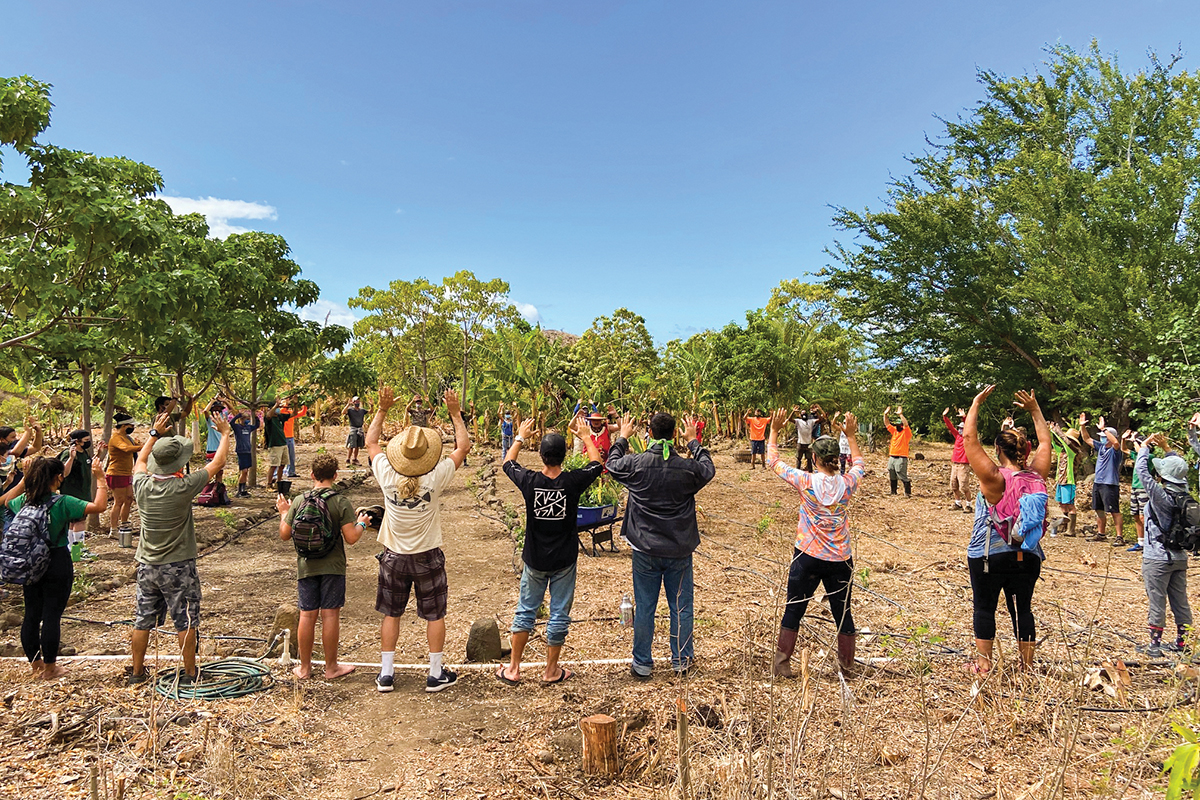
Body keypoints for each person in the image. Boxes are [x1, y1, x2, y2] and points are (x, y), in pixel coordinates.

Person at [366, 386, 470, 693]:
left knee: (391, 613)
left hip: (393, 556)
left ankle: (386, 674)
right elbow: (462, 447)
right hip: (427, 555)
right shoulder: (435, 477)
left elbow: (370, 442)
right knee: (434, 614)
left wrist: (382, 409)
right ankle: (434, 673)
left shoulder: (386, 473)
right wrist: (454, 413)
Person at [496, 417, 604, 687]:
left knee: (525, 611)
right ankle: (551, 671)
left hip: (535, 559)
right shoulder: (573, 482)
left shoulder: (530, 481)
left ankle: (513, 669)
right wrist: (587, 436)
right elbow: (596, 464)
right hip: (564, 559)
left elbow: (508, 463)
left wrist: (519, 437)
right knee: (559, 613)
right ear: (564, 456)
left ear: (541, 456)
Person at [607, 411, 715, 679]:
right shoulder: (687, 468)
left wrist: (622, 437)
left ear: (649, 433)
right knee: (681, 606)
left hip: (645, 548)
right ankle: (681, 661)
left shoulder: (637, 464)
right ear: (674, 433)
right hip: (679, 549)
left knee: (645, 607)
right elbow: (708, 469)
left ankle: (642, 664)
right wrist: (693, 442)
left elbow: (611, 463)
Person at [128, 410, 232, 684]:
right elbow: (218, 462)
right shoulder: (183, 486)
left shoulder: (141, 484)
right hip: (178, 566)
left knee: (143, 619)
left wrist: (152, 434)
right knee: (185, 618)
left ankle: (137, 673)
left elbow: (139, 460)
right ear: (179, 463)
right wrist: (224, 433)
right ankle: (188, 673)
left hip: (147, 565)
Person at [767, 410, 866, 677]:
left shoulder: (805, 481)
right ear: (837, 459)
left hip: (807, 554)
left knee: (795, 607)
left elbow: (773, 461)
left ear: (814, 458)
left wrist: (774, 431)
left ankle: (782, 664)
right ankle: (846, 666)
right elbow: (859, 465)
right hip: (840, 560)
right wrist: (852, 436)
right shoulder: (847, 484)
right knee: (842, 611)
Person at [962, 386, 1051, 674]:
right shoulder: (1036, 474)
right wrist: (1035, 410)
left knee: (984, 607)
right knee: (1022, 609)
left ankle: (984, 665)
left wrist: (976, 404)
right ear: (1025, 450)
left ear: (998, 449)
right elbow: (1046, 443)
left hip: (990, 553)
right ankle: (1026, 668)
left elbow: (968, 438)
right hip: (1028, 555)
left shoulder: (992, 477)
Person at [9, 453, 109, 678]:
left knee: (32, 614)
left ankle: (35, 666)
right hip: (55, 560)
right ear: (57, 478)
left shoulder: (22, 501)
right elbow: (99, 506)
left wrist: (26, 480)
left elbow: (7, 501)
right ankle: (51, 668)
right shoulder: (62, 502)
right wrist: (100, 478)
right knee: (52, 615)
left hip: (29, 561)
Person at [276, 453, 371, 680]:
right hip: (333, 566)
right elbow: (351, 537)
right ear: (336, 475)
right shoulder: (340, 502)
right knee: (330, 616)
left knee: (307, 615)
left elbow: (284, 535)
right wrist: (362, 524)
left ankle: (305, 668)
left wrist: (283, 513)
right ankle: (331, 668)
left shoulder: (299, 500)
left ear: (312, 475)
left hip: (306, 565)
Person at [1131, 432, 1193, 656]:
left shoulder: (1160, 495)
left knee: (1157, 601)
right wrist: (1168, 448)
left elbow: (1142, 473)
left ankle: (1155, 645)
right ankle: (1182, 643)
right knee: (1181, 602)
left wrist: (1145, 447)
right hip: (1179, 557)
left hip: (1157, 557)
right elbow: (1179, 468)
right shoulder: (1183, 493)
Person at [1078, 413, 1124, 544]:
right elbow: (1087, 439)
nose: (1103, 439)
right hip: (1098, 483)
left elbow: (1116, 442)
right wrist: (1082, 427)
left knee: (1114, 511)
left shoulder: (1115, 451)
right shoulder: (1101, 447)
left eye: (1105, 437)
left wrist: (1104, 429)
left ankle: (1119, 537)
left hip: (1110, 484)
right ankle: (1101, 533)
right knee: (1099, 510)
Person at [106, 412, 142, 539]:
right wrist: (142, 447)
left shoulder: (126, 437)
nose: (132, 428)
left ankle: (124, 524)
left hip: (127, 473)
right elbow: (126, 449)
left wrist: (138, 445)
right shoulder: (116, 438)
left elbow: (131, 447)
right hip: (116, 473)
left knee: (129, 499)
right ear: (123, 426)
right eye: (130, 426)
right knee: (119, 501)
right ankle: (113, 529)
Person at [58, 429, 95, 550]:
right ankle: (79, 548)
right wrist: (71, 458)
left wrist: (99, 454)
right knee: (78, 521)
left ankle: (72, 548)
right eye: (86, 440)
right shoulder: (68, 454)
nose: (88, 442)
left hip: (83, 491)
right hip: (72, 492)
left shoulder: (84, 452)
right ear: (77, 441)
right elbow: (64, 473)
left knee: (75, 521)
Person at [1049, 424, 1082, 537]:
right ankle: (1063, 526)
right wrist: (1051, 431)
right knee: (1062, 504)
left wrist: (1057, 430)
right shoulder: (1062, 452)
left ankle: (1071, 530)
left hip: (1069, 481)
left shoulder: (1073, 452)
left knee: (1070, 504)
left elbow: (1065, 442)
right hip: (1061, 480)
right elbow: (1054, 442)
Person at [1121, 431, 1147, 553]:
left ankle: (1149, 542)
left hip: (1144, 488)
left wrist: (1135, 441)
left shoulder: (1148, 457)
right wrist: (1124, 439)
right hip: (1135, 488)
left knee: (1144, 516)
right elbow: (1123, 449)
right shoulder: (1136, 456)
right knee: (1136, 515)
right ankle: (1140, 541)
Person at [943, 407, 972, 512]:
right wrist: (945, 417)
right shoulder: (957, 436)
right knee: (954, 485)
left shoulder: (968, 439)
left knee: (964, 487)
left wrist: (964, 417)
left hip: (964, 465)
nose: (960, 430)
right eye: (959, 428)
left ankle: (968, 505)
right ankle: (957, 503)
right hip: (955, 464)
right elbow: (950, 427)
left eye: (962, 428)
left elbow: (969, 427)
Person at [262, 399, 294, 491]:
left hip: (283, 443)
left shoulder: (280, 417)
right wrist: (275, 405)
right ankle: (268, 485)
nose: (278, 409)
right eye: (276, 408)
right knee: (274, 465)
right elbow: (268, 416)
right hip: (275, 444)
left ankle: (278, 483)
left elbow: (293, 414)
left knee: (282, 464)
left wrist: (295, 404)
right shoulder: (269, 418)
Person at [229, 408, 260, 497]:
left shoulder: (248, 427)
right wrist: (238, 415)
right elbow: (231, 423)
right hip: (241, 451)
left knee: (246, 471)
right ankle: (240, 490)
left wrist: (256, 416)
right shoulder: (237, 427)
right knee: (244, 471)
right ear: (241, 419)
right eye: (245, 419)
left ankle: (243, 489)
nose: (246, 420)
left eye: (247, 419)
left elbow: (257, 425)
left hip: (248, 450)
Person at [883, 405, 913, 496]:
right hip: (892, 456)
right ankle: (893, 491)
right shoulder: (894, 431)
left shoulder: (906, 432)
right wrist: (885, 414)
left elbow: (906, 424)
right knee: (891, 472)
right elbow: (887, 424)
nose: (897, 426)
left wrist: (901, 415)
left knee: (901, 473)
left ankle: (907, 492)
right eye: (896, 425)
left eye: (899, 425)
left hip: (901, 457)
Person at [281, 400, 308, 479]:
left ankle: (291, 472)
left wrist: (305, 406)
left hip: (290, 437)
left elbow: (302, 413)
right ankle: (277, 473)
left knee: (291, 456)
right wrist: (284, 404)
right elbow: (282, 410)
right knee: (281, 456)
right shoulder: (280, 413)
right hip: (282, 437)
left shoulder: (291, 413)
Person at [345, 397, 369, 466]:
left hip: (360, 429)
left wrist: (372, 405)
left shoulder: (362, 411)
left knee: (357, 446)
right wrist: (348, 404)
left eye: (358, 401)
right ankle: (348, 459)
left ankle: (355, 459)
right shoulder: (350, 410)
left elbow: (370, 411)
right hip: (353, 429)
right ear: (353, 402)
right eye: (355, 401)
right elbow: (343, 412)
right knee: (352, 445)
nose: (357, 402)